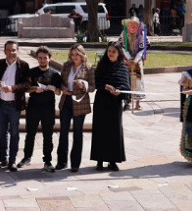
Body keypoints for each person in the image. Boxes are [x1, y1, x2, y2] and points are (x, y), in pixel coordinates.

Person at [0, 41, 30, 172]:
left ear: (18, 51)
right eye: (9, 50)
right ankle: (2, 159)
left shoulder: (24, 66)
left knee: (14, 133)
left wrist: (13, 88)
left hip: (14, 105)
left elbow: (27, 84)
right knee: (2, 133)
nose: (11, 53)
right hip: (0, 104)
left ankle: (12, 161)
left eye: (14, 50)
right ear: (4, 51)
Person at [20, 46, 62, 172]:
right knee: (30, 134)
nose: (42, 60)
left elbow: (59, 92)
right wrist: (34, 89)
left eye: (45, 58)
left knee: (48, 135)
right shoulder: (32, 72)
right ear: (37, 58)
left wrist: (54, 89)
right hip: (33, 107)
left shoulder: (55, 75)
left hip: (48, 108)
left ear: (49, 59)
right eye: (40, 58)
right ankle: (27, 158)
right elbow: (25, 88)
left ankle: (48, 161)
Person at [90, 41, 130, 172]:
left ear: (119, 53)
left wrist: (119, 90)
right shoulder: (102, 65)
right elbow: (96, 82)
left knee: (114, 131)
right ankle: (99, 160)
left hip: (115, 103)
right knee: (100, 130)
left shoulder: (123, 68)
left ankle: (113, 161)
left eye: (114, 51)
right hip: (101, 101)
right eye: (109, 51)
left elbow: (126, 86)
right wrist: (104, 86)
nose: (111, 54)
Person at [56, 44, 95, 172]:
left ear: (82, 55)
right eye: (72, 54)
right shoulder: (66, 65)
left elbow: (92, 87)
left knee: (77, 133)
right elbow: (60, 81)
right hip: (66, 100)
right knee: (63, 132)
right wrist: (63, 88)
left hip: (80, 103)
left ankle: (75, 163)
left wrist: (83, 86)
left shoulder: (88, 68)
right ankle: (61, 162)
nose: (74, 57)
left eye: (77, 54)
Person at [120, 17, 148, 111]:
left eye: (135, 26)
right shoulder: (124, 34)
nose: (133, 27)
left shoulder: (141, 35)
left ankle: (137, 103)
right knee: (126, 80)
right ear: (127, 26)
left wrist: (135, 61)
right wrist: (128, 60)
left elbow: (142, 49)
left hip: (137, 60)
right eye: (130, 25)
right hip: (126, 60)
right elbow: (122, 47)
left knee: (138, 81)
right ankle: (127, 101)